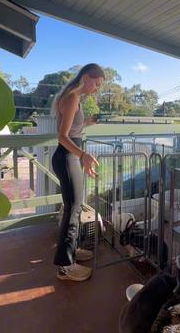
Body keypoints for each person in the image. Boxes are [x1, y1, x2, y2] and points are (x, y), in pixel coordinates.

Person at [51, 63, 105, 281]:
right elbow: (62, 137)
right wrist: (83, 155)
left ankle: (71, 251)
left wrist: (89, 121)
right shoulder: (73, 97)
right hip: (67, 156)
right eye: (97, 84)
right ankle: (65, 266)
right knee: (72, 210)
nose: (97, 89)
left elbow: (73, 129)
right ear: (85, 78)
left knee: (75, 207)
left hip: (70, 156)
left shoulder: (74, 98)